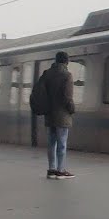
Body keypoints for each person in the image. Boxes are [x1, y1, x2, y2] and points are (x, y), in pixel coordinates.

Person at [33, 51, 76, 179]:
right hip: (62, 115)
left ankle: (51, 169)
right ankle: (61, 170)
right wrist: (72, 109)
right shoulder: (67, 75)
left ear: (56, 60)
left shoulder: (47, 74)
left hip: (49, 113)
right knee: (62, 143)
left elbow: (40, 91)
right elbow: (67, 97)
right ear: (66, 61)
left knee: (51, 142)